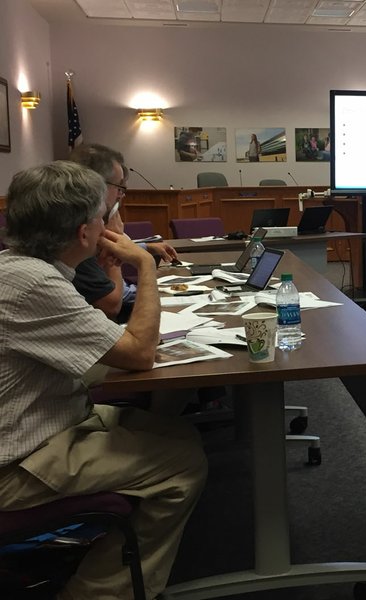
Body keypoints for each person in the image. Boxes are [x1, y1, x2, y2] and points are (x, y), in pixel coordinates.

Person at [0, 161, 207, 600]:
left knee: (176, 431)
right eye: (102, 216)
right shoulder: (35, 285)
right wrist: (145, 267)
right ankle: (97, 592)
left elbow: (102, 340)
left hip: (49, 423)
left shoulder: (18, 268)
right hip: (15, 465)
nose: (107, 223)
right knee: (184, 465)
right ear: (82, 232)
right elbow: (138, 353)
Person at [69, 143, 178, 321]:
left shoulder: (90, 224)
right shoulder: (78, 232)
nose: (122, 195)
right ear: (97, 186)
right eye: (119, 187)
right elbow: (111, 307)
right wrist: (117, 247)